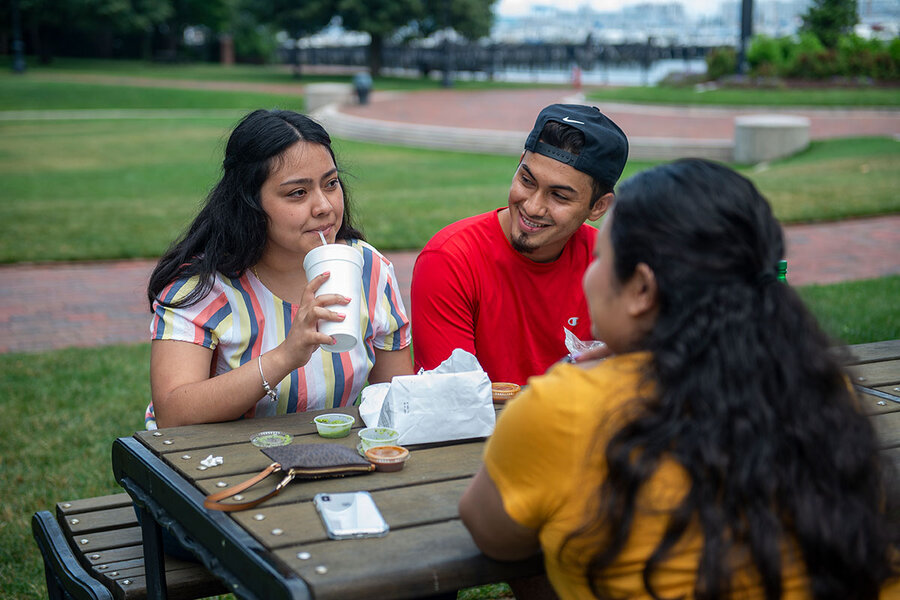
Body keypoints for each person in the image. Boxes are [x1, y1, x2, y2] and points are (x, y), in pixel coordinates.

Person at [459, 159, 899, 599]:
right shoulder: (815, 384)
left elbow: (492, 533)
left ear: (642, 290)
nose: (590, 274)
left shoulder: (566, 406)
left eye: (599, 260)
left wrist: (567, 381)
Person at [145, 109, 413, 430]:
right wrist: (286, 356)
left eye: (330, 184)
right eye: (297, 193)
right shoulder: (203, 287)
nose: (324, 207)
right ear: (250, 203)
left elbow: (397, 397)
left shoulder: (370, 270)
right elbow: (172, 413)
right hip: (218, 463)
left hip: (329, 460)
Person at [411, 104, 628, 384]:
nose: (533, 206)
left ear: (598, 207)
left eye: (559, 196)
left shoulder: (610, 265)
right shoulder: (450, 259)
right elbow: (451, 403)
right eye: (527, 180)